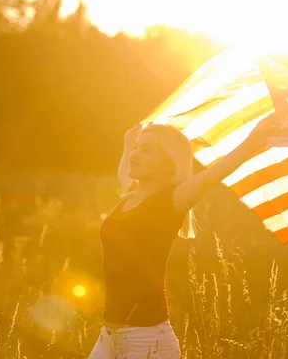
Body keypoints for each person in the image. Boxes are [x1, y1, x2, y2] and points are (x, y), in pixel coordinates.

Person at [88, 121, 268, 359]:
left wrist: (255, 140)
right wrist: (128, 141)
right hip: (108, 338)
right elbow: (125, 164)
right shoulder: (129, 195)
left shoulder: (173, 200)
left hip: (147, 341)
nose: (135, 154)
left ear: (166, 164)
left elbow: (215, 173)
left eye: (146, 150)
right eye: (138, 148)